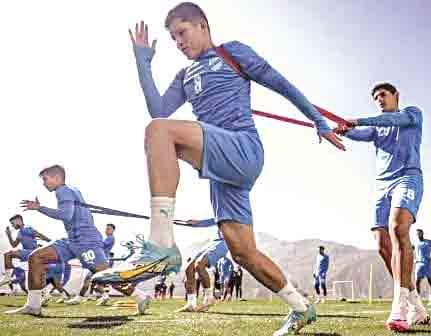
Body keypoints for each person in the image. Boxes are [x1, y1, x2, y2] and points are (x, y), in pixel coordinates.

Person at [93, 2, 345, 335]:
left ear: (202, 26)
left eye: (182, 33)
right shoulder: (184, 76)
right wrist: (143, 64)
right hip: (221, 170)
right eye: (173, 39)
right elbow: (158, 108)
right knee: (242, 252)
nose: (179, 42)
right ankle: (300, 308)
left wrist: (318, 121)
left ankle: (161, 246)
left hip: (242, 147)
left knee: (159, 132)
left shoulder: (231, 52)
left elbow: (281, 84)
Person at [336, 82, 430, 331]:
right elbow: (356, 133)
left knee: (398, 228)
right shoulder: (376, 129)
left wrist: (356, 120)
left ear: (396, 96)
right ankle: (415, 305)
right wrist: (339, 129)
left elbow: (384, 122)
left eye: (383, 95)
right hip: (381, 187)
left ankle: (398, 308)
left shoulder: (411, 114)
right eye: (376, 97)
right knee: (382, 244)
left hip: (407, 177)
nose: (379, 99)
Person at [5, 165, 111, 316]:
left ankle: (140, 295)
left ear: (57, 177)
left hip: (85, 241)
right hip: (72, 239)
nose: (44, 183)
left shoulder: (63, 191)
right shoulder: (72, 190)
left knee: (106, 274)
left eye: (45, 179)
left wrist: (39, 208)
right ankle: (33, 306)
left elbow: (65, 215)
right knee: (35, 257)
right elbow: (78, 214)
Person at [176, 219, 229, 312]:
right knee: (189, 268)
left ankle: (209, 298)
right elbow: (213, 220)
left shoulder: (233, 211)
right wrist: (197, 223)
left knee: (199, 264)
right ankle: (191, 304)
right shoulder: (221, 212)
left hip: (224, 243)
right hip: (213, 242)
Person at [0, 215, 50, 287]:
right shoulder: (20, 232)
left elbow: (40, 235)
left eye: (12, 223)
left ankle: (7, 277)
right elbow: (14, 245)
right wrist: (9, 235)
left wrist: (51, 241)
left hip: (32, 252)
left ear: (18, 221)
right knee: (34, 278)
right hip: (27, 254)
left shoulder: (27, 228)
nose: (12, 225)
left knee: (8, 254)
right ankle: (44, 293)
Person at [415, 229, 431, 306]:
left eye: (419, 233)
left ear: (422, 234)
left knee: (430, 282)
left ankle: (430, 300)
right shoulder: (416, 243)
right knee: (417, 282)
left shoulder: (428, 242)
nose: (418, 235)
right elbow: (409, 252)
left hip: (427, 265)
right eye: (417, 234)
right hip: (419, 265)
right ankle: (418, 300)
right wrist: (414, 259)